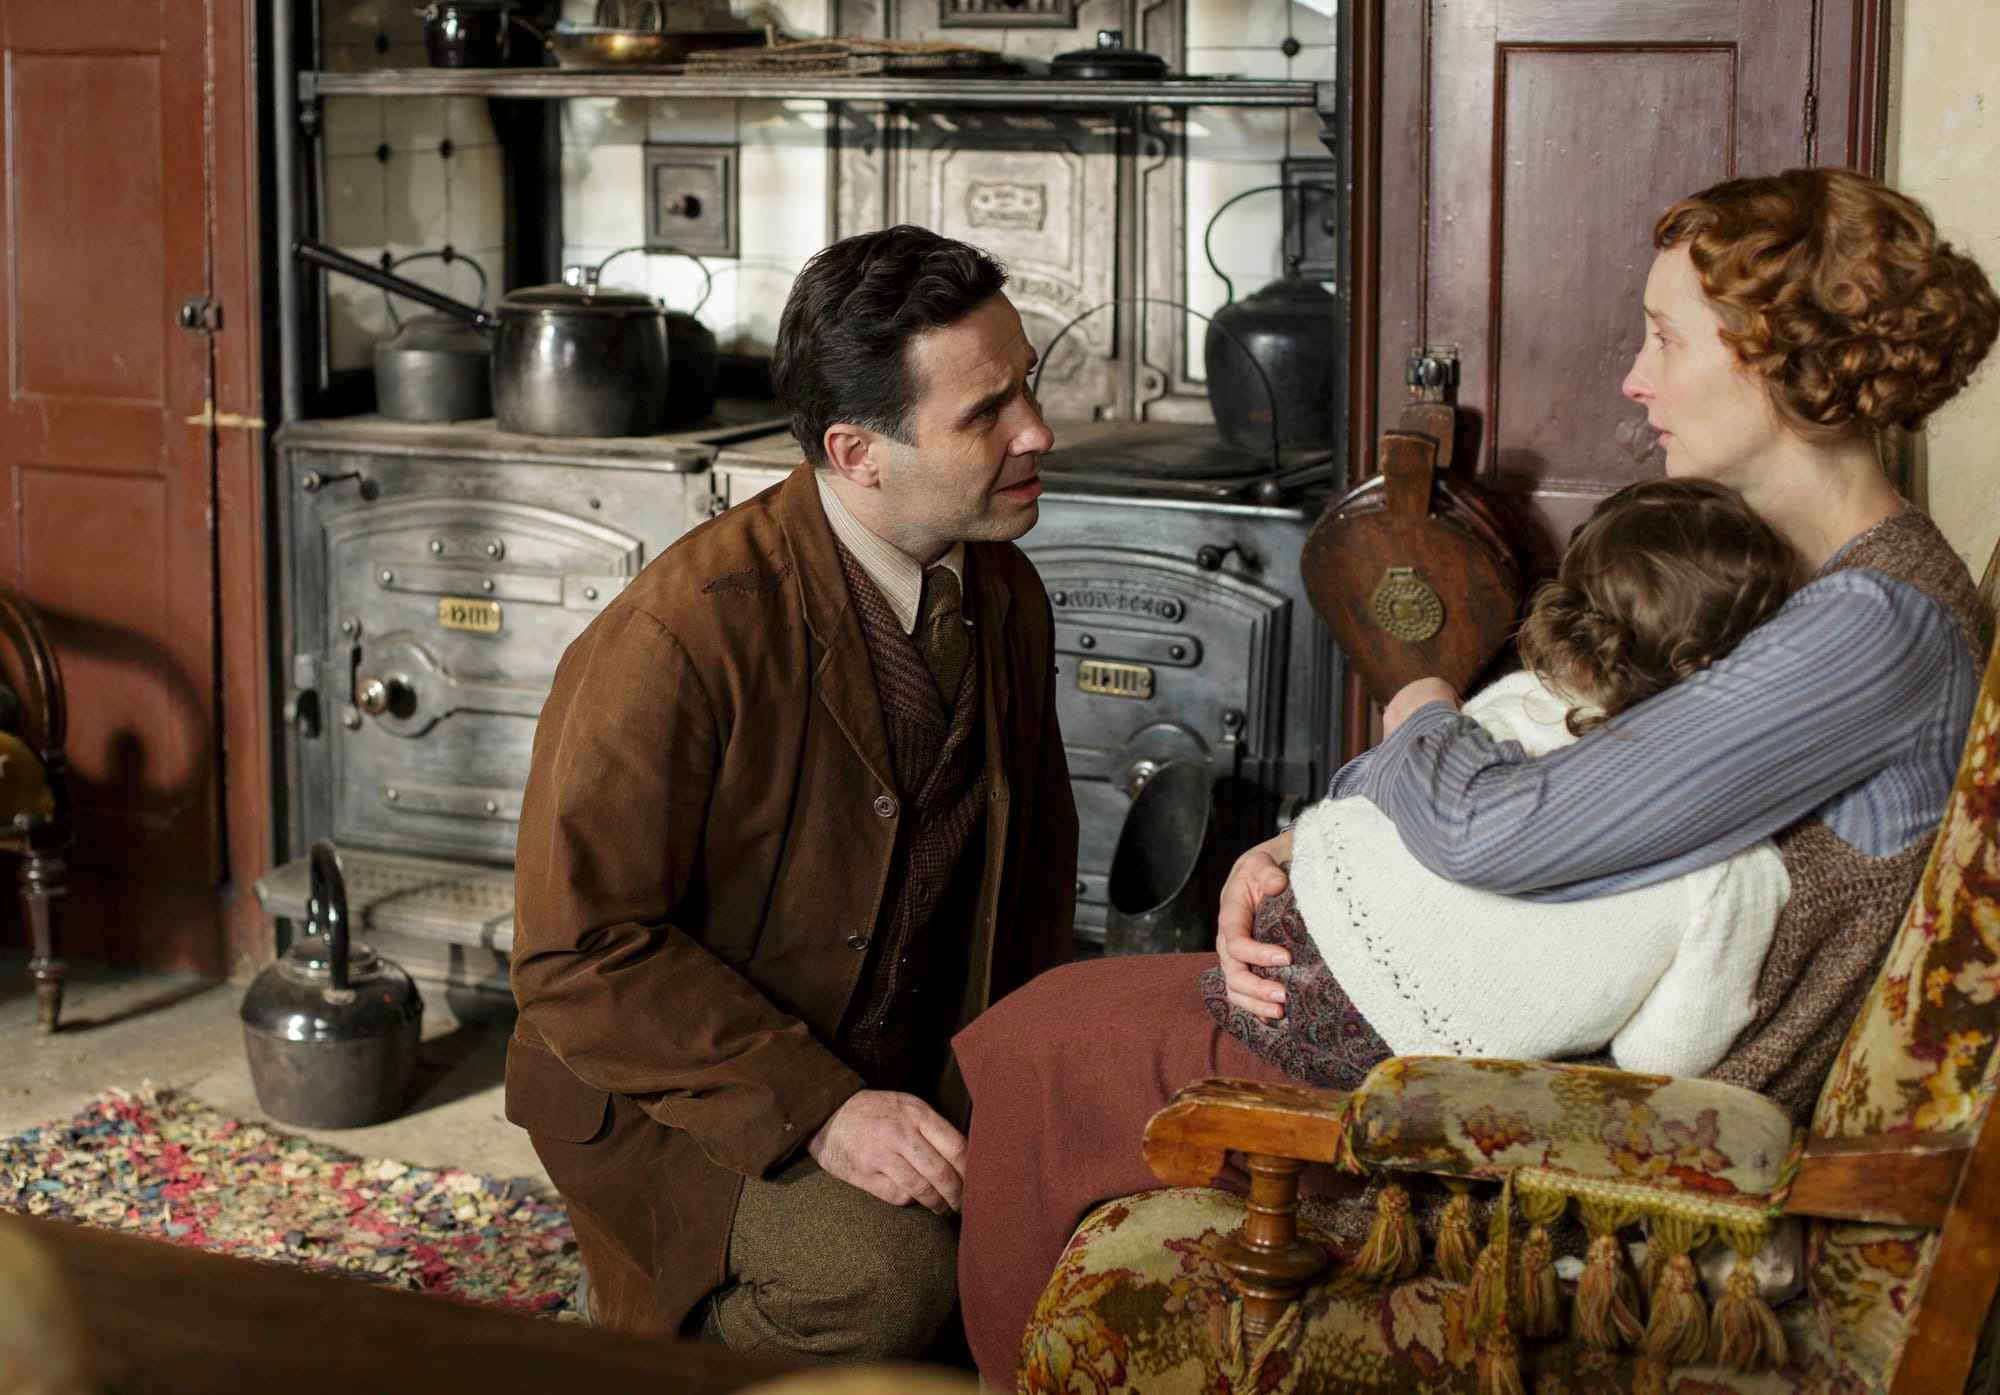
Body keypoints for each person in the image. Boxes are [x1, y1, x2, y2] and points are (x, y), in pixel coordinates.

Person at [951, 165, 1999, 1388]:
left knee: (1038, 1047)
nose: (1633, 377)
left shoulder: (1870, 629)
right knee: (1055, 1032)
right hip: (1528, 1035)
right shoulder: (1801, 579)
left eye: (1664, 337)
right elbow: (1565, 787)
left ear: (1778, 354)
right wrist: (1305, 838)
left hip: (1602, 1146)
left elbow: (1493, 828)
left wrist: (1417, 700)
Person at [505, 224, 1078, 1361]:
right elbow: (576, 955)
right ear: (856, 452)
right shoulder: (679, 635)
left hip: (914, 1060)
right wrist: (823, 1108)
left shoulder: (1006, 594)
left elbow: (1031, 876)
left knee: (1084, 1211)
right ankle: (631, 1340)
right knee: (893, 1278)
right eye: (985, 414)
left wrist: (1037, 1080)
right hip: (682, 1101)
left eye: (1027, 388)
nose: (1036, 433)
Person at [1215, 477, 1795, 1087]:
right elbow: (1666, 1058)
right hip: (1395, 1056)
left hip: (1283, 931)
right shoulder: (1738, 869)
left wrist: (1288, 847)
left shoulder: (1535, 697)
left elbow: (1379, 799)